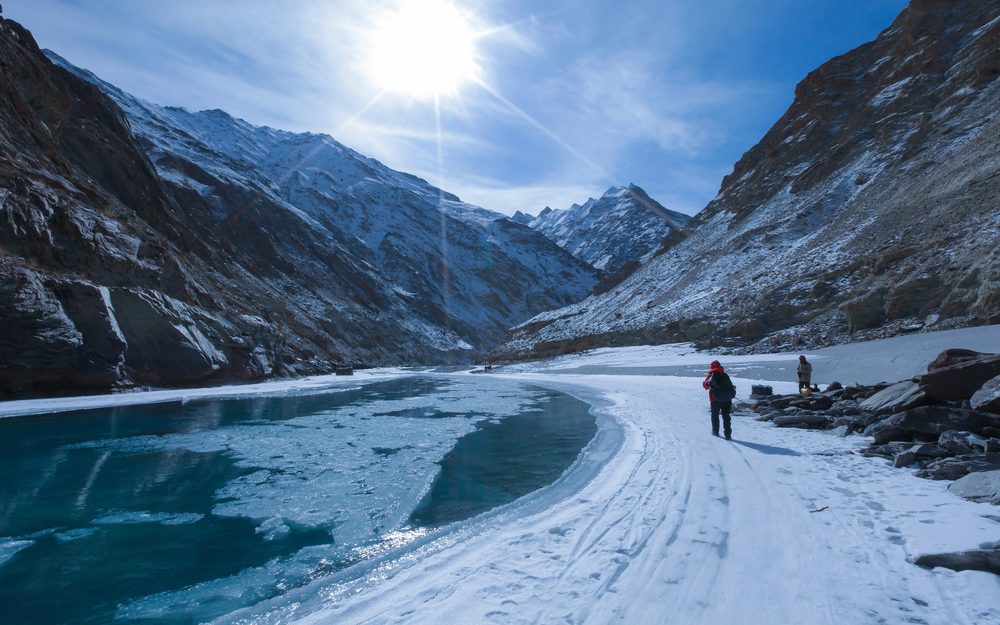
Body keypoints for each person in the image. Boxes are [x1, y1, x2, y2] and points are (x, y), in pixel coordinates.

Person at [702, 360, 736, 439]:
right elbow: (730, 386)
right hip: (727, 399)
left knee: (715, 416)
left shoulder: (711, 375)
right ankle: (728, 435)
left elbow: (705, 386)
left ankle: (715, 432)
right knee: (726, 416)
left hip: (715, 399)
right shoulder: (724, 374)